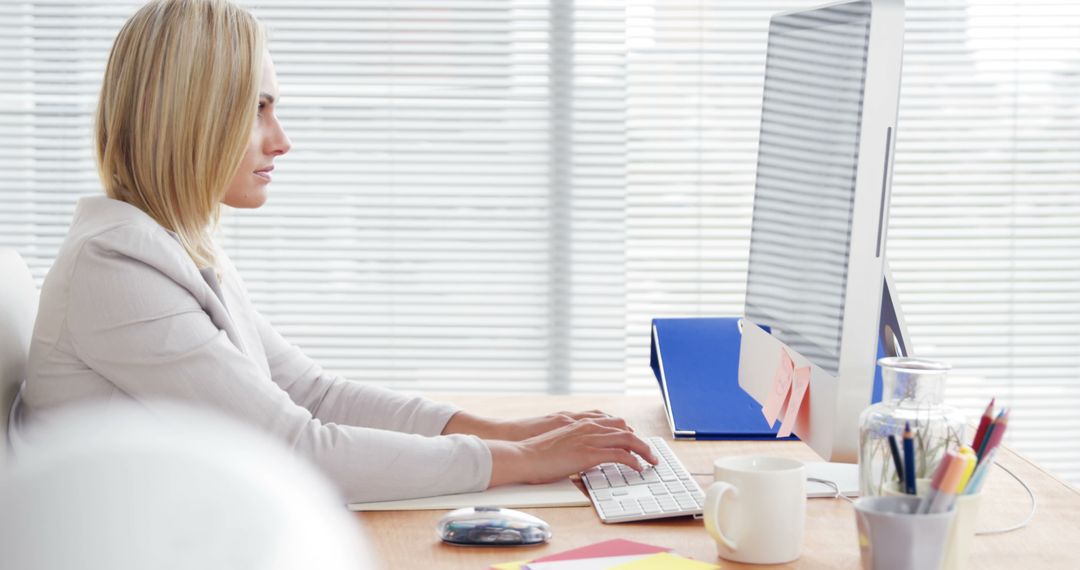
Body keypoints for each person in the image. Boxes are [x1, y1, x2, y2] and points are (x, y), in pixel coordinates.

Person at [16, 0, 655, 503]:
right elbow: (296, 448)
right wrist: (524, 462)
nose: (282, 140)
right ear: (191, 118)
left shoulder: (171, 246)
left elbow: (315, 394)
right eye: (257, 110)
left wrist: (510, 432)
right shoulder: (117, 269)